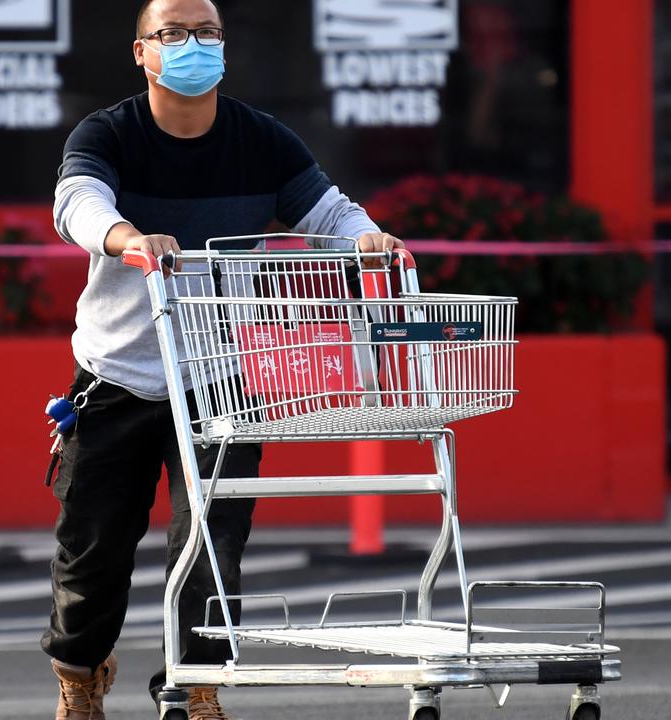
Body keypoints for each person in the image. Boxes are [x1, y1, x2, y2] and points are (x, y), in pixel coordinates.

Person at [44, 1, 404, 718]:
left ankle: (198, 686)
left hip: (219, 377)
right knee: (93, 552)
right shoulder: (109, 132)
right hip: (118, 376)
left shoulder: (260, 139)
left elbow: (326, 208)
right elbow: (76, 200)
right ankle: (81, 677)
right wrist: (126, 237)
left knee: (212, 545)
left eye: (207, 32)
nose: (192, 45)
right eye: (172, 33)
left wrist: (368, 236)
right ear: (141, 52)